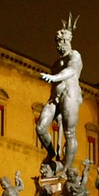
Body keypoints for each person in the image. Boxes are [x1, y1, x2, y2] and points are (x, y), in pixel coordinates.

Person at [36, 15, 84, 173]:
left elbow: (71, 71)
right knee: (41, 127)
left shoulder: (74, 55)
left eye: (63, 41)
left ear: (68, 41)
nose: (60, 45)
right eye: (58, 42)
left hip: (70, 93)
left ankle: (66, 169)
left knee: (70, 132)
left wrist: (54, 77)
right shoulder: (55, 64)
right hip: (54, 99)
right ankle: (51, 153)